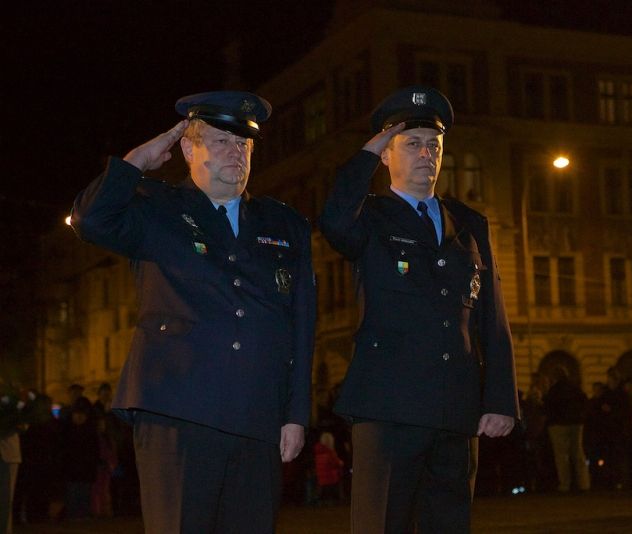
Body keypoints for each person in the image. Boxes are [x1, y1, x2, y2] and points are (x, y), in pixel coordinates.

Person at [70, 90, 316, 533]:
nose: (235, 152)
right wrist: (135, 162)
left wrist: (296, 412)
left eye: (243, 144)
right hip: (178, 409)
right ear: (188, 148)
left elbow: (301, 324)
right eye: (221, 140)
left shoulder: (283, 224)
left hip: (257, 415)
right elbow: (91, 221)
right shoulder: (156, 207)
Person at [320, 85, 518, 533]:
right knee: (382, 523)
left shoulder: (468, 223)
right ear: (386, 155)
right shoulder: (368, 216)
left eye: (434, 144)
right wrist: (368, 150)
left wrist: (500, 399)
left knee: (448, 523)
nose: (426, 153)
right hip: (390, 408)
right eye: (411, 144)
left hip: (455, 408)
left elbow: (491, 314)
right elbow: (333, 220)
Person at [543, 365, 591, 492]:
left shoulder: (554, 390)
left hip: (558, 424)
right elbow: (584, 402)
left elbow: (548, 406)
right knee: (578, 453)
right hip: (576, 423)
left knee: (561, 455)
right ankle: (584, 483)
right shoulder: (575, 388)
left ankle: (565, 484)